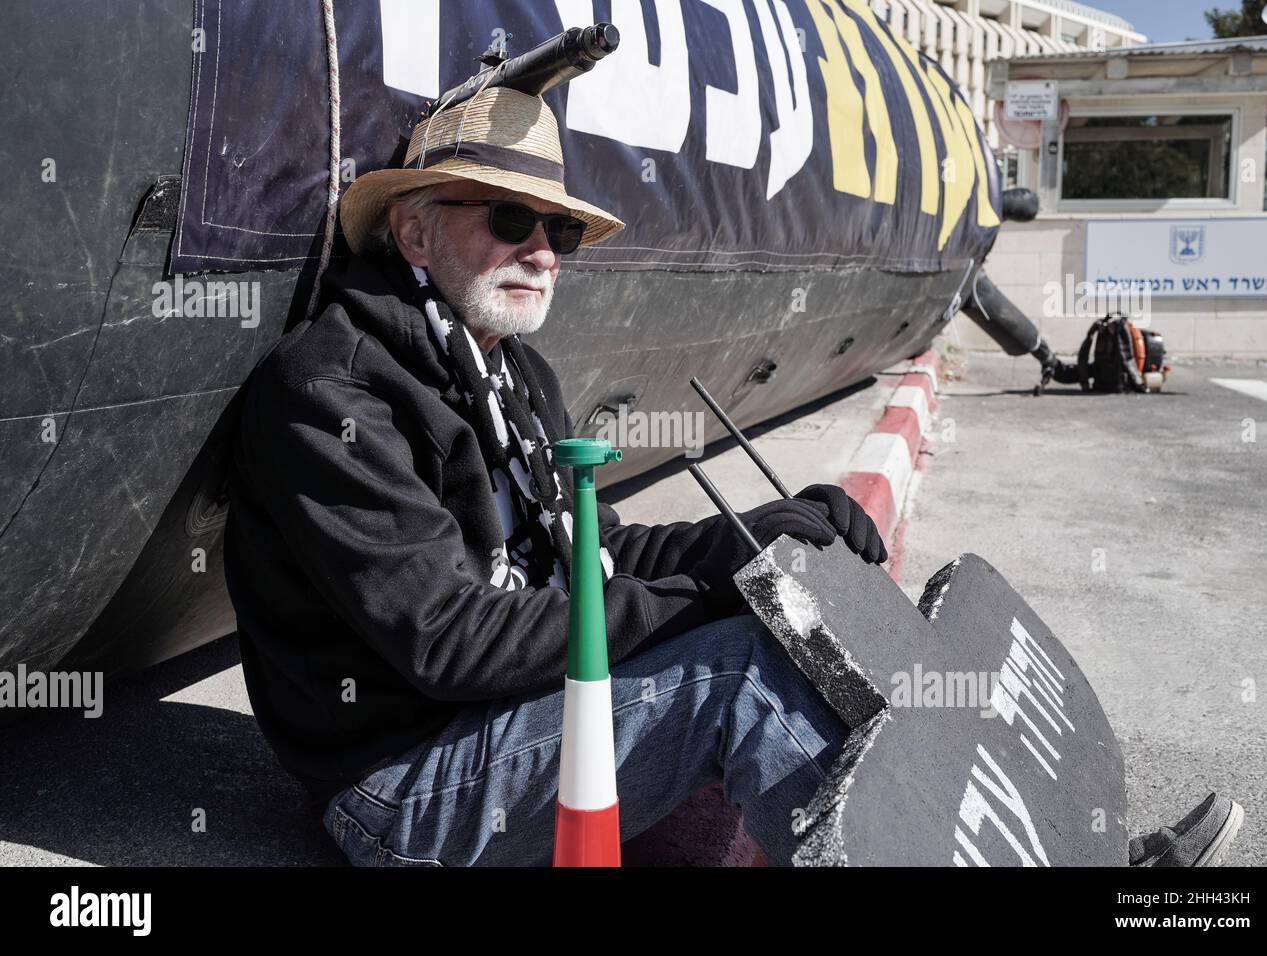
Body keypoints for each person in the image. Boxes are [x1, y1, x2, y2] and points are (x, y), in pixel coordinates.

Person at [222, 85, 889, 866]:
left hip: (509, 712)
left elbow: (593, 554)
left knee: (766, 623)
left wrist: (748, 541)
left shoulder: (515, 372)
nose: (541, 253)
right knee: (744, 679)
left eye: (559, 229)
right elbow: (447, 640)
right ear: (413, 232)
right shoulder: (331, 392)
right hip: (398, 779)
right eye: (509, 220)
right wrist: (702, 594)